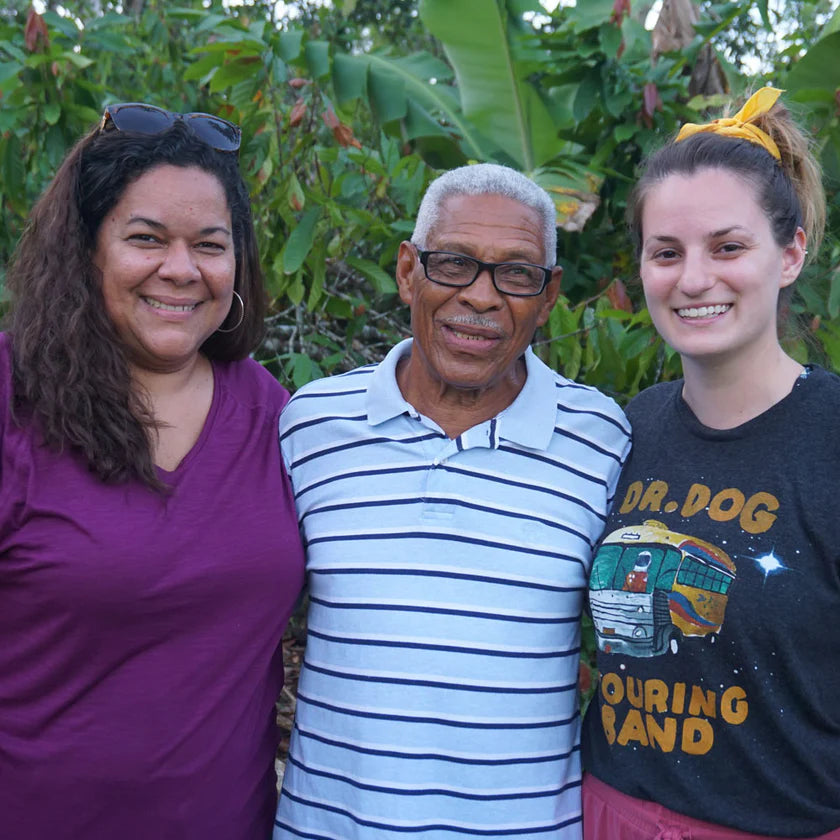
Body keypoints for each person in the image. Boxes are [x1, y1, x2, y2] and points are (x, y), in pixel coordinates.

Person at [273, 163, 631, 839]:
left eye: (516, 274)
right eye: (454, 264)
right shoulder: (312, 425)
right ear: (409, 271)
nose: (482, 296)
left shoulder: (603, 439)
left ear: (548, 296)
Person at [0, 103, 305, 839]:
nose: (181, 269)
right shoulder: (13, 397)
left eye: (210, 245)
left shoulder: (275, 415)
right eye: (146, 238)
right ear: (87, 248)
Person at [581, 88, 840, 838]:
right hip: (609, 814)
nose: (693, 279)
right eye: (667, 253)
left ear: (789, 255)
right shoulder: (627, 430)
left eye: (727, 247)